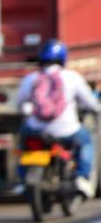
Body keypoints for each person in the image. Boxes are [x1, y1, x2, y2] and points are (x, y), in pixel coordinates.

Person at [15, 39, 101, 198]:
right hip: (67, 130)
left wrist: (29, 113)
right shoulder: (72, 77)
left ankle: (21, 179)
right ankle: (82, 178)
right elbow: (91, 103)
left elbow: (19, 103)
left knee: (22, 142)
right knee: (86, 141)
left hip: (35, 129)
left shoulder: (31, 79)